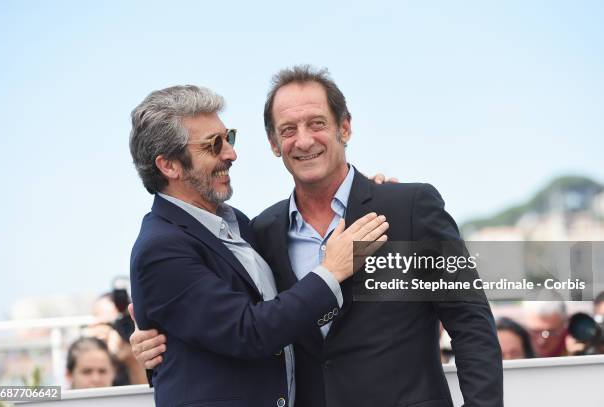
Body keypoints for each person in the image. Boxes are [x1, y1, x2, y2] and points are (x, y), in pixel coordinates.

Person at [132, 66, 503, 407]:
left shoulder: (408, 207)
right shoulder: (261, 231)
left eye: (317, 123)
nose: (304, 140)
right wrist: (160, 344)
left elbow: (470, 323)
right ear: (274, 144)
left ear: (345, 128)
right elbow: (247, 325)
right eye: (288, 130)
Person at [128, 85, 388, 407]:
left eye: (229, 137)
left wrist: (371, 194)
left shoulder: (243, 225)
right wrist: (331, 270)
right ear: (169, 166)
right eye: (214, 145)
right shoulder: (160, 250)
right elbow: (249, 331)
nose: (231, 154)